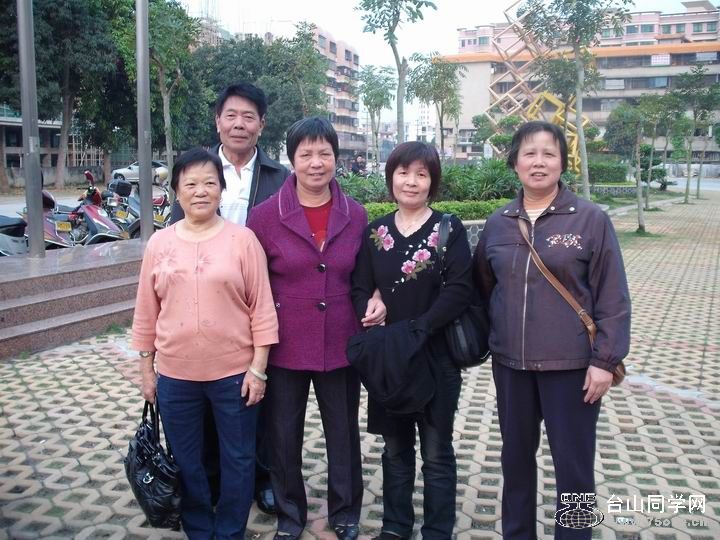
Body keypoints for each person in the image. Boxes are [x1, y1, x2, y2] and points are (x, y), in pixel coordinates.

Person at [473, 121, 631, 539]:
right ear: (515, 162)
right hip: (512, 366)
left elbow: (613, 296)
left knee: (574, 469)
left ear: (563, 162)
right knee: (515, 463)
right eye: (529, 153)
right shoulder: (498, 222)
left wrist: (605, 361)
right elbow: (483, 288)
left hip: (573, 368)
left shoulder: (590, 219)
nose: (538, 162)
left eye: (549, 153)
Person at [247, 117, 385, 540]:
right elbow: (253, 284)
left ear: (336, 158)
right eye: (305, 153)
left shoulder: (356, 214)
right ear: (292, 159)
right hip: (285, 344)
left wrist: (378, 294)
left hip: (341, 341)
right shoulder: (264, 217)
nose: (315, 162)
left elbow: (365, 273)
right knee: (283, 435)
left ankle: (345, 512)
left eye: (324, 153)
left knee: (342, 432)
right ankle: (290, 516)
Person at [132, 147, 279, 539]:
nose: (201, 191)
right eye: (191, 184)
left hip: (235, 375)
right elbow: (146, 312)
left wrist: (258, 369)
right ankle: (198, 527)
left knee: (238, 457)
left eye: (210, 183)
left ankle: (230, 530)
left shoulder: (243, 241)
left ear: (221, 189)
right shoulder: (159, 244)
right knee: (186, 459)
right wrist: (146, 370)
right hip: (176, 376)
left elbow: (262, 308)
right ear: (177, 192)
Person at [170, 82, 288, 514]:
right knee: (205, 400)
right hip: (206, 306)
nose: (240, 124)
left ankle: (263, 476)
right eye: (231, 115)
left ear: (262, 125)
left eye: (249, 116)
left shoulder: (280, 178)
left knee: (261, 395)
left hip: (264, 303)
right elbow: (176, 232)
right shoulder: (196, 171)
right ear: (218, 120)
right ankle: (211, 479)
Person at [351, 141, 473, 540]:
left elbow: (460, 289)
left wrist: (419, 328)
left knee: (436, 452)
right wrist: (369, 303)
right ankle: (395, 526)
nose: (411, 181)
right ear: (391, 178)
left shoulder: (448, 229)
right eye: (403, 173)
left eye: (422, 174)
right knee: (395, 449)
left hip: (436, 357)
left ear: (432, 181)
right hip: (391, 361)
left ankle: (437, 530)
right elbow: (359, 285)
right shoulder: (375, 232)